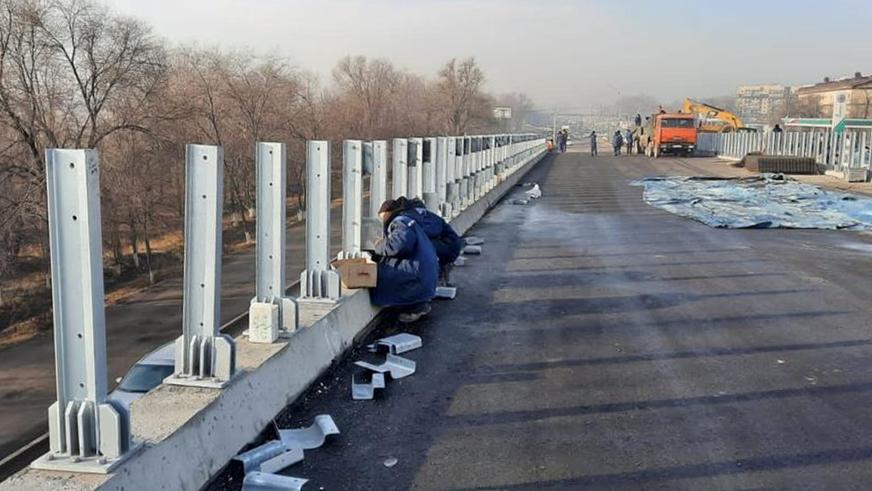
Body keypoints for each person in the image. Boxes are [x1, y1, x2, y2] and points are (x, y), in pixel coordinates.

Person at [370, 199, 438, 323]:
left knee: (384, 272)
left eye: (382, 216)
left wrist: (379, 245)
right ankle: (418, 304)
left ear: (388, 213)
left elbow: (397, 245)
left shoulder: (400, 222)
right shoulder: (410, 220)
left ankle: (414, 308)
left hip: (417, 275)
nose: (382, 221)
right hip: (424, 274)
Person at [395, 197, 462, 286]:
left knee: (424, 249)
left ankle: (437, 281)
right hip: (452, 245)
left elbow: (431, 231)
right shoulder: (432, 216)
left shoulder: (418, 216)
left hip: (446, 246)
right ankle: (442, 280)